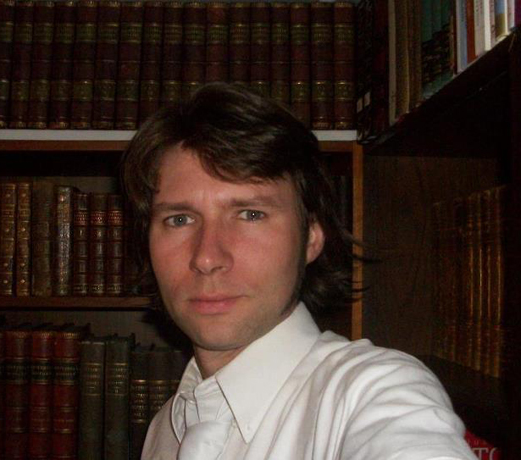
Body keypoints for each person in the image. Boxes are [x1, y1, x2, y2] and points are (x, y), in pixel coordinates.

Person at [121, 83, 475, 460]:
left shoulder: (372, 393)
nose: (207, 258)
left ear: (311, 238)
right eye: (179, 219)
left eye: (250, 214)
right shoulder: (166, 428)